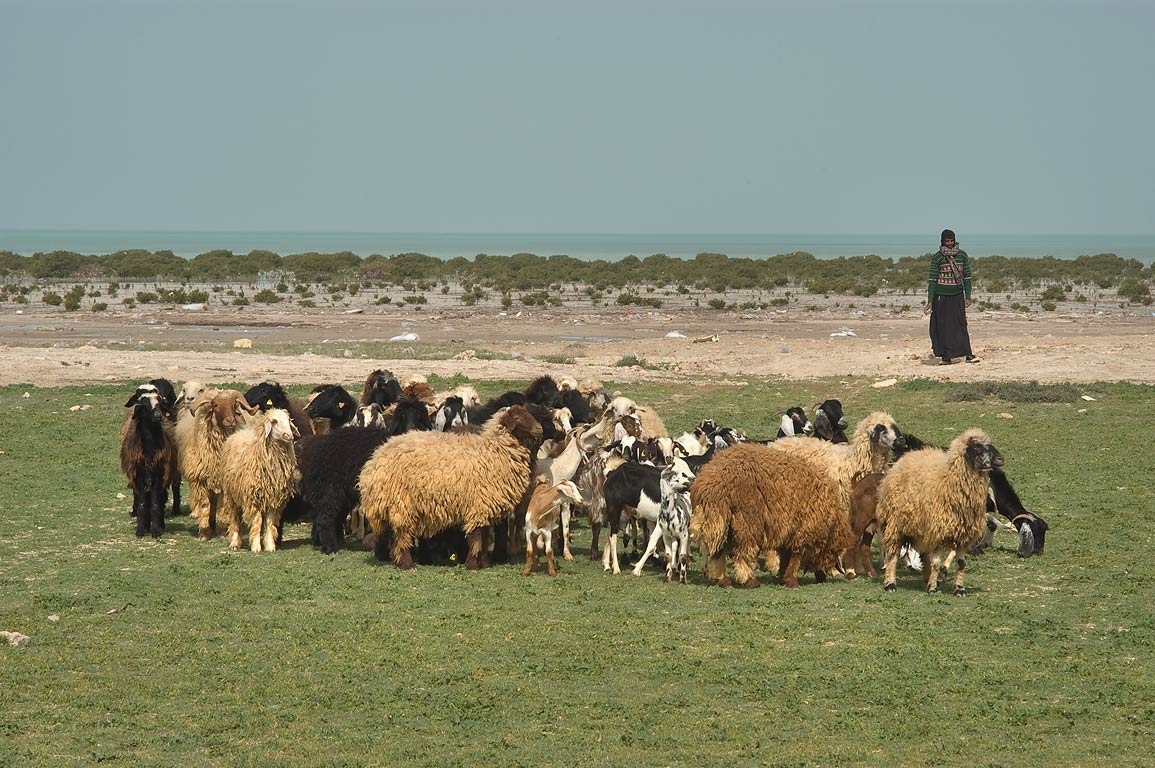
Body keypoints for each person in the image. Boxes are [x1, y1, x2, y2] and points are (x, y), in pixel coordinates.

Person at [923, 229, 978, 364]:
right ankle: (946, 357)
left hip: (957, 295)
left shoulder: (962, 255)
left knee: (961, 324)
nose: (949, 243)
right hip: (941, 296)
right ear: (942, 241)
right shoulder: (937, 257)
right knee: (943, 326)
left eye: (951, 241)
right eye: (947, 241)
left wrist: (968, 296)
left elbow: (967, 278)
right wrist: (930, 300)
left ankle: (968, 354)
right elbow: (932, 280)